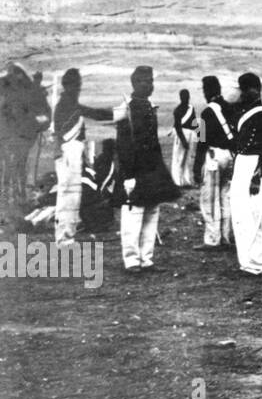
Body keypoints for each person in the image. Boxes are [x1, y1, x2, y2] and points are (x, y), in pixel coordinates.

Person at [111, 65, 181, 272]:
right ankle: (132, 260)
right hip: (134, 168)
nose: (149, 85)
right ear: (134, 83)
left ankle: (146, 258)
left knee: (152, 211)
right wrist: (129, 175)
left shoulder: (150, 106)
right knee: (134, 212)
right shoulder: (127, 108)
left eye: (151, 81)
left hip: (152, 168)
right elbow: (123, 144)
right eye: (144, 81)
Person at [50, 68, 114, 247]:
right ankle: (64, 238)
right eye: (75, 85)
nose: (78, 88)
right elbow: (94, 113)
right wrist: (117, 113)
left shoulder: (69, 102)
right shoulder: (66, 104)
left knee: (72, 196)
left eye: (79, 85)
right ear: (67, 86)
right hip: (68, 152)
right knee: (68, 197)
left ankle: (67, 235)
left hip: (73, 151)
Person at [229, 72, 262, 277]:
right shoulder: (244, 110)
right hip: (243, 162)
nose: (241, 94)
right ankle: (251, 263)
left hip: (255, 165)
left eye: (244, 90)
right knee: (242, 215)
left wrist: (258, 176)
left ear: (254, 90)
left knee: (254, 215)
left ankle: (254, 263)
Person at [194, 76, 235, 251]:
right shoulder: (230, 108)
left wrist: (197, 166)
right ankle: (225, 237)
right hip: (230, 156)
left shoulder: (206, 112)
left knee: (209, 199)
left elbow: (202, 141)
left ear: (207, 91)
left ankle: (212, 239)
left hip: (213, 157)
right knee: (226, 197)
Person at [169, 89, 199, 188]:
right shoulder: (177, 110)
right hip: (181, 134)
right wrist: (183, 141)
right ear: (181, 97)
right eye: (184, 96)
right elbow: (177, 127)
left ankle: (187, 181)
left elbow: (194, 123)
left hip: (191, 135)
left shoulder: (191, 108)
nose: (187, 98)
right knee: (179, 158)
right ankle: (177, 181)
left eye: (187, 96)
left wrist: (199, 135)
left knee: (189, 159)